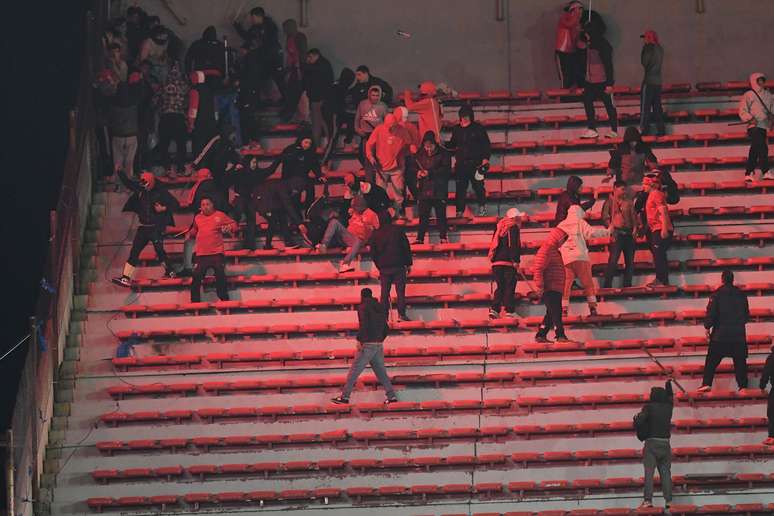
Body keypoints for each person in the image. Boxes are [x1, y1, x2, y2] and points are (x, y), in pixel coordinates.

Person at [331, 288, 398, 405]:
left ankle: (345, 397)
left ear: (362, 296)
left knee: (354, 371)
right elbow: (386, 327)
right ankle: (391, 396)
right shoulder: (380, 307)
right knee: (381, 373)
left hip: (367, 344)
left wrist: (360, 339)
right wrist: (380, 339)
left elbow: (364, 324)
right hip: (378, 343)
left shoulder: (363, 307)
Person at [112, 171, 178, 287]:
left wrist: (164, 209)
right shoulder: (140, 188)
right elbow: (128, 183)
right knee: (135, 251)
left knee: (160, 251)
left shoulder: (161, 191)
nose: (144, 187)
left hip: (156, 227)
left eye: (146, 184)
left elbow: (175, 204)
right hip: (143, 227)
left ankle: (170, 272)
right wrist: (120, 172)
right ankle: (126, 277)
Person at [697, 270, 750, 392]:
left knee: (711, 360)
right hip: (738, 335)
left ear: (722, 280)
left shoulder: (716, 295)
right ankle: (743, 386)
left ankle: (707, 383)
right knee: (740, 362)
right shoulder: (742, 295)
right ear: (732, 279)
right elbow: (746, 316)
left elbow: (711, 313)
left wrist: (707, 327)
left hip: (720, 335)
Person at [557, 205, 609, 315]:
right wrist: (607, 232)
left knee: (566, 286)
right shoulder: (580, 223)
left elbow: (556, 242)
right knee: (588, 284)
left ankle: (564, 309)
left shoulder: (561, 225)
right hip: (580, 257)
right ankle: (593, 308)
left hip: (566, 259)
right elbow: (592, 233)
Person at [189, 197, 237, 302]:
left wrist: (229, 227)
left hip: (216, 253)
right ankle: (195, 303)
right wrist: (190, 234)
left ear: (212, 205)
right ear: (200, 207)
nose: (205, 207)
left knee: (220, 274)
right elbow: (194, 230)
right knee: (196, 276)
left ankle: (224, 300)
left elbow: (234, 225)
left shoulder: (220, 215)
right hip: (201, 254)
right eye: (203, 205)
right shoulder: (197, 217)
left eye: (208, 204)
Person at [447, 104, 491, 217]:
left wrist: (485, 159)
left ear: (471, 116)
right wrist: (443, 144)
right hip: (461, 165)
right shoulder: (457, 129)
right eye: (463, 116)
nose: (465, 118)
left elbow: (486, 145)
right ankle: (459, 211)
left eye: (467, 116)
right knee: (460, 189)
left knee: (479, 187)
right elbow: (452, 144)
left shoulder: (478, 128)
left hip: (476, 164)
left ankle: (482, 207)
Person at [636, 380, 674, 510]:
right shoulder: (669, 407)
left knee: (649, 473)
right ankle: (669, 501)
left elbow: (640, 420)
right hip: (665, 443)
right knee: (665, 473)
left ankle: (648, 500)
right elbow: (670, 397)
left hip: (651, 443)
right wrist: (668, 384)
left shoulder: (649, 407)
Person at [317, 195, 379, 273]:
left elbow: (377, 230)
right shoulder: (353, 212)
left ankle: (345, 264)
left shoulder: (371, 214)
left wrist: (368, 229)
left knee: (358, 240)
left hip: (360, 239)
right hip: (347, 237)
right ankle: (324, 245)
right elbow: (348, 223)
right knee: (334, 222)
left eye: (356, 208)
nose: (355, 210)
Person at [233, 7, 284, 101]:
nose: (251, 20)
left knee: (279, 80)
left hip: (274, 58)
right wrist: (237, 26)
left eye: (252, 18)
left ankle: (286, 101)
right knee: (259, 79)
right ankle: (259, 101)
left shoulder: (270, 26)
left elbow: (268, 45)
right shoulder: (255, 27)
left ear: (258, 16)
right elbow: (248, 37)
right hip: (263, 59)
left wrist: (251, 51)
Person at [370, 210, 413, 322]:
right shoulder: (398, 230)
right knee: (400, 292)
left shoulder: (375, 233)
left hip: (384, 267)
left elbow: (373, 253)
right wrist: (408, 263)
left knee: (384, 294)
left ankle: (384, 317)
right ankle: (401, 315)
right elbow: (406, 248)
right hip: (399, 265)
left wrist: (379, 265)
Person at [273, 130, 327, 215]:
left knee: (310, 188)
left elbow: (315, 165)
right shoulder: (290, 149)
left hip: (304, 177)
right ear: (301, 141)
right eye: (306, 142)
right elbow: (285, 166)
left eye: (309, 143)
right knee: (296, 195)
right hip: (291, 178)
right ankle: (297, 217)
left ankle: (308, 212)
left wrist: (319, 175)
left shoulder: (311, 152)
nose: (307, 145)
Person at [366, 114, 411, 215]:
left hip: (397, 167)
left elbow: (409, 144)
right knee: (380, 192)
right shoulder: (379, 130)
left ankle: (398, 213)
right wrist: (371, 157)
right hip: (381, 167)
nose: (390, 128)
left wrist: (402, 154)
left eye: (393, 126)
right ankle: (382, 214)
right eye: (388, 126)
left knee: (398, 192)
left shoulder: (402, 130)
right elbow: (369, 145)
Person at [578, 29, 618, 139]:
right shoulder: (588, 47)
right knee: (587, 102)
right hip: (590, 82)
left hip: (603, 82)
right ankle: (592, 129)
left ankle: (614, 130)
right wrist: (583, 83)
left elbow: (608, 65)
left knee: (609, 105)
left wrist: (610, 83)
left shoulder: (602, 45)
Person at [533, 227, 570, 342]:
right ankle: (560, 335)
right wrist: (539, 285)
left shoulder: (553, 250)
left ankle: (541, 334)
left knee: (551, 312)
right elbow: (538, 267)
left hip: (555, 286)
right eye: (563, 240)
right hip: (551, 286)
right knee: (556, 312)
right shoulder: (548, 249)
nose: (563, 243)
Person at [152, 62, 189, 176]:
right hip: (179, 117)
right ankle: (180, 168)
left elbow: (154, 101)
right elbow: (188, 101)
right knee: (181, 145)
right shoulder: (184, 85)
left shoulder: (163, 84)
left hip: (166, 117)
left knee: (164, 145)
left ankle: (167, 168)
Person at [414, 131, 451, 243]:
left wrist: (430, 173)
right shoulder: (420, 153)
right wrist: (418, 173)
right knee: (423, 216)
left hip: (439, 189)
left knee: (441, 215)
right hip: (424, 189)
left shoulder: (444, 153)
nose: (428, 149)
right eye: (426, 146)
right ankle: (420, 238)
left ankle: (443, 237)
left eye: (430, 146)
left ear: (435, 144)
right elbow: (412, 167)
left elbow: (446, 170)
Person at [739, 72, 774, 182]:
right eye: (759, 80)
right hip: (753, 126)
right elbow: (742, 110)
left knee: (755, 149)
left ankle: (749, 172)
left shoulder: (769, 95)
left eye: (763, 80)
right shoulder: (748, 95)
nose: (761, 82)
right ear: (754, 81)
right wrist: (750, 118)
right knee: (763, 147)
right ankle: (765, 171)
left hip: (763, 126)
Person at [488, 207, 523, 319]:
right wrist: (516, 260)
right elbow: (513, 245)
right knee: (509, 286)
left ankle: (495, 309)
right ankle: (509, 310)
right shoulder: (513, 227)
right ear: (515, 218)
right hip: (508, 262)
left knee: (500, 287)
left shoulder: (499, 226)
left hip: (496, 263)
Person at [107, 74, 144, 178]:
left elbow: (109, 117)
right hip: (132, 134)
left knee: (117, 161)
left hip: (117, 134)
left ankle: (117, 179)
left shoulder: (113, 103)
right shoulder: (134, 102)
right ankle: (128, 179)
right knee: (129, 162)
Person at [602, 180, 636, 288]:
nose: (624, 191)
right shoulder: (609, 202)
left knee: (630, 262)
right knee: (613, 261)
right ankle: (607, 285)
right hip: (617, 233)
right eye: (622, 189)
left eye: (625, 189)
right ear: (615, 188)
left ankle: (627, 285)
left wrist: (635, 228)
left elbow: (633, 216)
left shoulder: (628, 201)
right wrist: (610, 228)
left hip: (628, 233)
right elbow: (604, 217)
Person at [643, 172, 673, 287]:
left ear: (650, 184)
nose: (643, 186)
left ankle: (660, 279)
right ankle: (663, 280)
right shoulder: (653, 195)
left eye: (645, 184)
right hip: (656, 228)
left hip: (659, 228)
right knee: (659, 255)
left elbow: (663, 211)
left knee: (658, 255)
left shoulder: (655, 194)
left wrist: (664, 228)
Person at [302, 48, 334, 147]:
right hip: (324, 99)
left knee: (317, 125)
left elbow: (310, 82)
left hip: (317, 99)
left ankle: (316, 146)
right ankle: (330, 145)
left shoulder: (315, 67)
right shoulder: (326, 64)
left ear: (316, 55)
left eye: (310, 57)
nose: (308, 59)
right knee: (325, 123)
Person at [322, 67, 356, 159]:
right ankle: (324, 161)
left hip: (330, 113)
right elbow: (339, 104)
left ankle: (348, 141)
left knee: (333, 136)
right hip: (334, 114)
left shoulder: (335, 85)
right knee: (333, 138)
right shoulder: (341, 88)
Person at [355, 85, 388, 172]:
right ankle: (368, 170)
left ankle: (375, 171)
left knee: (377, 155)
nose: (375, 97)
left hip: (377, 135)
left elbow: (387, 121)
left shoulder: (383, 106)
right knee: (362, 155)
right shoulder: (362, 104)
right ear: (369, 95)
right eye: (373, 95)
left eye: (377, 95)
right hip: (365, 134)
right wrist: (357, 129)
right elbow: (357, 118)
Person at [280, 19, 307, 120]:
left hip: (299, 67)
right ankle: (288, 109)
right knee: (290, 89)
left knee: (295, 90)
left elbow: (302, 53)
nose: (284, 31)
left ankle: (291, 111)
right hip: (292, 67)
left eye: (286, 28)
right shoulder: (289, 38)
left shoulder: (300, 37)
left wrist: (299, 68)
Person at [639, 30, 665, 136]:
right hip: (658, 82)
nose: (643, 40)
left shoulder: (648, 48)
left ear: (649, 38)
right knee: (657, 108)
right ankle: (661, 130)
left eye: (645, 38)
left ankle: (644, 130)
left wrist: (644, 49)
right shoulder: (660, 48)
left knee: (645, 108)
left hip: (649, 81)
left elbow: (645, 63)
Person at [187, 71, 217, 157]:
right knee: (209, 148)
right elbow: (216, 108)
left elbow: (193, 109)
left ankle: (198, 164)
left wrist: (191, 123)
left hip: (199, 123)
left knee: (198, 148)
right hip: (211, 123)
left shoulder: (195, 90)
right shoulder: (210, 91)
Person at [555, 0, 584, 88]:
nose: (581, 11)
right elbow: (569, 24)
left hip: (573, 52)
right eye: (579, 9)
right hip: (562, 51)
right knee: (565, 77)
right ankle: (565, 94)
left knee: (575, 76)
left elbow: (577, 39)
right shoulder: (565, 17)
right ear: (573, 9)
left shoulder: (577, 22)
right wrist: (577, 17)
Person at [760, 345, 774, 445]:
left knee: (772, 412)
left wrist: (762, 386)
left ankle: (772, 436)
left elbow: (766, 372)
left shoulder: (772, 357)